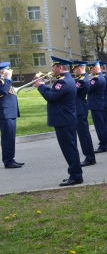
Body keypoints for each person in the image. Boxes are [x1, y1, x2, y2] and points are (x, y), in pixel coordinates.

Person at [33, 56, 83, 186]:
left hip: (64, 120)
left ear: (60, 67)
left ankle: (75, 176)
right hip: (65, 119)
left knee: (69, 149)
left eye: (53, 67)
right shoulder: (65, 80)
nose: (51, 69)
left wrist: (40, 86)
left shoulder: (63, 82)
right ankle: (75, 174)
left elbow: (50, 96)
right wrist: (43, 85)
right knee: (70, 148)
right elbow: (54, 93)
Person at [72, 61, 96, 167]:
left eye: (75, 68)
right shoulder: (80, 79)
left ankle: (90, 157)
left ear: (80, 69)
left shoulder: (82, 81)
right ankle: (89, 156)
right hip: (79, 108)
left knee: (84, 135)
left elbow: (71, 90)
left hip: (80, 109)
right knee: (83, 134)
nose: (73, 70)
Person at [0, 62, 24, 169]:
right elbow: (4, 91)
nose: (9, 71)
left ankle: (10, 159)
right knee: (7, 138)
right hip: (5, 113)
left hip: (10, 112)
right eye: (7, 70)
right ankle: (8, 161)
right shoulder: (3, 80)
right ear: (2, 71)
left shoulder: (3, 80)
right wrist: (8, 78)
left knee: (10, 137)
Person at [87, 61, 107, 153]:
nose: (90, 71)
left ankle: (103, 144)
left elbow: (88, 88)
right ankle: (104, 143)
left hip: (95, 104)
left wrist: (87, 80)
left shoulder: (96, 79)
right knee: (101, 124)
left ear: (95, 68)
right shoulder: (100, 77)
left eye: (91, 68)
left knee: (99, 126)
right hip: (97, 103)